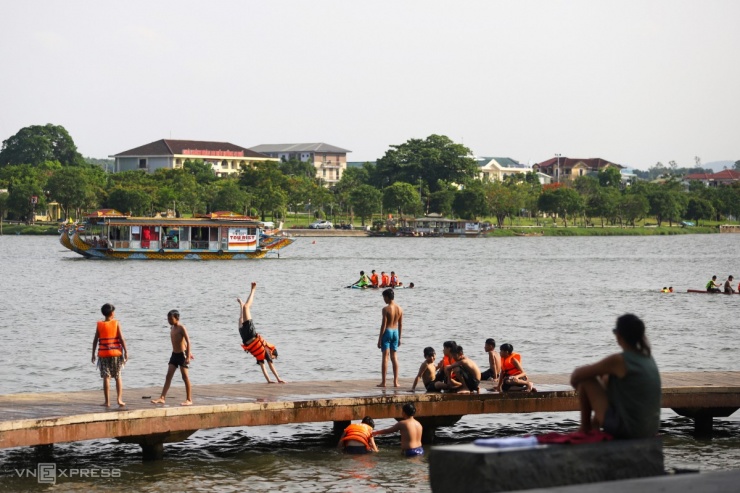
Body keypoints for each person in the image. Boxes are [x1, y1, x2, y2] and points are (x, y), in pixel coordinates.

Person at [570, 314, 661, 439]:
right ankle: (594, 425)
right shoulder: (648, 359)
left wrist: (582, 390)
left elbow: (576, 376)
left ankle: (584, 429)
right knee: (607, 378)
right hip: (649, 430)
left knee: (587, 380)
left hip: (628, 431)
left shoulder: (619, 361)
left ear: (619, 336)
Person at [237, 282, 285, 383]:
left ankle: (241, 306)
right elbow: (270, 366)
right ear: (272, 353)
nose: (272, 359)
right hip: (250, 335)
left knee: (241, 317)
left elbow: (263, 368)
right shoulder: (267, 351)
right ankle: (253, 289)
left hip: (245, 338)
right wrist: (278, 379)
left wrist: (269, 380)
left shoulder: (261, 356)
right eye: (273, 358)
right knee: (247, 307)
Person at [151, 309, 194, 406]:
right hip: (174, 355)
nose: (169, 321)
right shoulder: (172, 328)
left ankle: (189, 399)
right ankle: (162, 397)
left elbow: (188, 341)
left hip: (182, 355)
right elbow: (180, 341)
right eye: (168, 319)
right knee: (168, 376)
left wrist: (188, 355)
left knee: (185, 377)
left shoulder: (181, 327)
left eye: (171, 319)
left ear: (177, 318)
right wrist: (189, 351)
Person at [91, 303, 128, 407]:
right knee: (118, 376)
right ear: (112, 313)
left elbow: (95, 340)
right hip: (116, 354)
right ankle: (119, 399)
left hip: (103, 354)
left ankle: (107, 402)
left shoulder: (99, 325)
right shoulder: (116, 323)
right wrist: (126, 351)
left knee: (106, 377)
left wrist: (93, 353)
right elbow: (121, 338)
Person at [377, 288, 403, 387]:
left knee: (385, 357)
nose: (384, 299)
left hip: (387, 331)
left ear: (387, 297)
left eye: (384, 297)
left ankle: (384, 382)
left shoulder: (385, 309)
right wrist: (400, 338)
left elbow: (383, 325)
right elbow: (401, 324)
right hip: (395, 332)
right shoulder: (400, 308)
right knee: (394, 357)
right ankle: (396, 382)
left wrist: (379, 339)